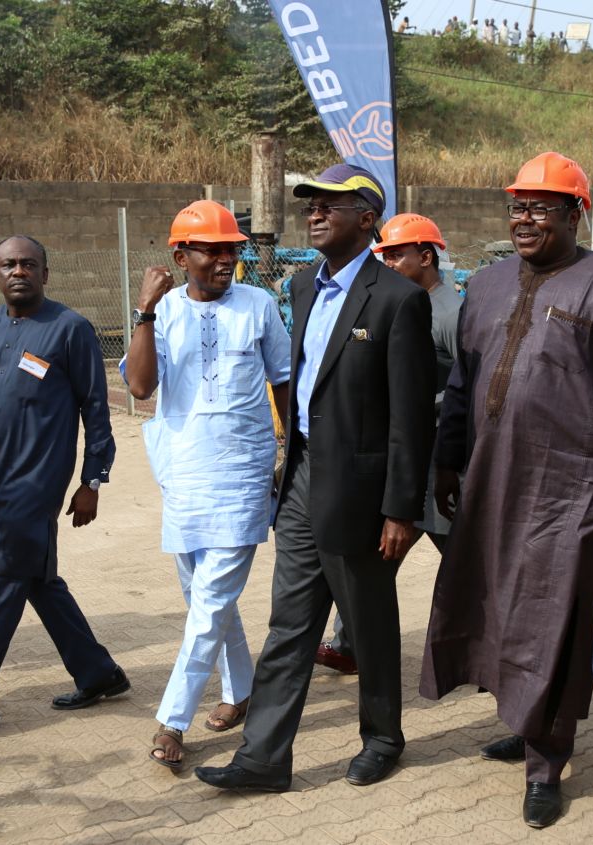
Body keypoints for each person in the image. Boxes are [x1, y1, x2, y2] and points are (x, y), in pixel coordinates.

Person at [194, 164, 436, 793]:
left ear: (366, 217)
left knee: (371, 625)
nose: (314, 212)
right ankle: (264, 758)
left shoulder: (396, 300)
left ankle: (383, 738)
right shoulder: (302, 286)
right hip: (300, 483)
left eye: (331, 203)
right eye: (310, 204)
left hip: (362, 495)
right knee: (288, 626)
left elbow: (410, 418)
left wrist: (401, 511)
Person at [420, 153, 593, 829]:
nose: (525, 219)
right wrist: (448, 462)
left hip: (568, 489)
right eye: (518, 206)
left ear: (577, 215)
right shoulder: (483, 285)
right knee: (498, 607)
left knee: (551, 619)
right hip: (491, 478)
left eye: (543, 208)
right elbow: (462, 382)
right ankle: (522, 719)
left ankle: (547, 763)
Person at [0, 235, 127, 742]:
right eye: (9, 264)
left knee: (3, 580)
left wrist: (92, 480)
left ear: (45, 274)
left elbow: (97, 412)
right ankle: (98, 673)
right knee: (36, 580)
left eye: (29, 264)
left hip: (38, 484)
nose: (19, 271)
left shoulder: (70, 330)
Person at [121, 201, 291, 770]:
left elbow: (284, 382)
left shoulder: (260, 306)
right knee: (202, 598)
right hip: (185, 471)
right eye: (211, 250)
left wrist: (290, 447)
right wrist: (144, 312)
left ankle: (173, 718)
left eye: (232, 249)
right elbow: (142, 387)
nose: (225, 260)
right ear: (180, 255)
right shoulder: (163, 312)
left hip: (243, 471)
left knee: (212, 597)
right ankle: (240, 690)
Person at [315, 212, 462, 676]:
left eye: (397, 254)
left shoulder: (451, 313)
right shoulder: (395, 305)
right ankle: (349, 644)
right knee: (375, 556)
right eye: (384, 254)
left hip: (440, 461)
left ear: (427, 255)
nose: (389, 263)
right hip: (403, 464)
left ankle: (473, 652)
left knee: (463, 562)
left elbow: (468, 389)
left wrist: (422, 409)